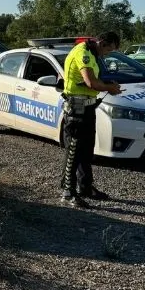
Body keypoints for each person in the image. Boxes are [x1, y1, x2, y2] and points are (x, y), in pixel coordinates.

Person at [59, 32, 123, 209]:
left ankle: (85, 186)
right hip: (76, 109)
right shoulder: (83, 52)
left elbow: (94, 80)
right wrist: (109, 88)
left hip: (88, 108)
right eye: (108, 50)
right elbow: (90, 82)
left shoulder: (93, 54)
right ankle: (67, 192)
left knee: (87, 150)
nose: (107, 54)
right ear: (102, 42)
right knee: (73, 151)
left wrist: (107, 82)